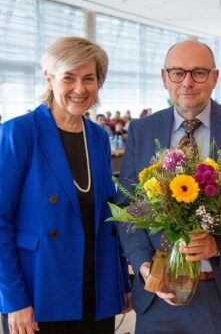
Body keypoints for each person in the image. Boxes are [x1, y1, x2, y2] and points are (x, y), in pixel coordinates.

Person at [117, 39, 221, 334]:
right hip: (157, 298)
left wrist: (218, 244)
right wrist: (143, 265)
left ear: (214, 77)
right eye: (178, 72)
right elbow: (128, 210)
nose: (187, 82)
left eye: (199, 72)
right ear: (165, 78)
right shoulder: (142, 130)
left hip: (220, 297)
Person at [0, 36, 131, 334]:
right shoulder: (18, 132)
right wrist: (14, 300)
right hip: (39, 291)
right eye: (68, 77)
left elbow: (108, 218)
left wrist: (121, 280)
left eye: (89, 78)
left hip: (95, 290)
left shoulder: (97, 137)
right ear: (49, 78)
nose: (80, 88)